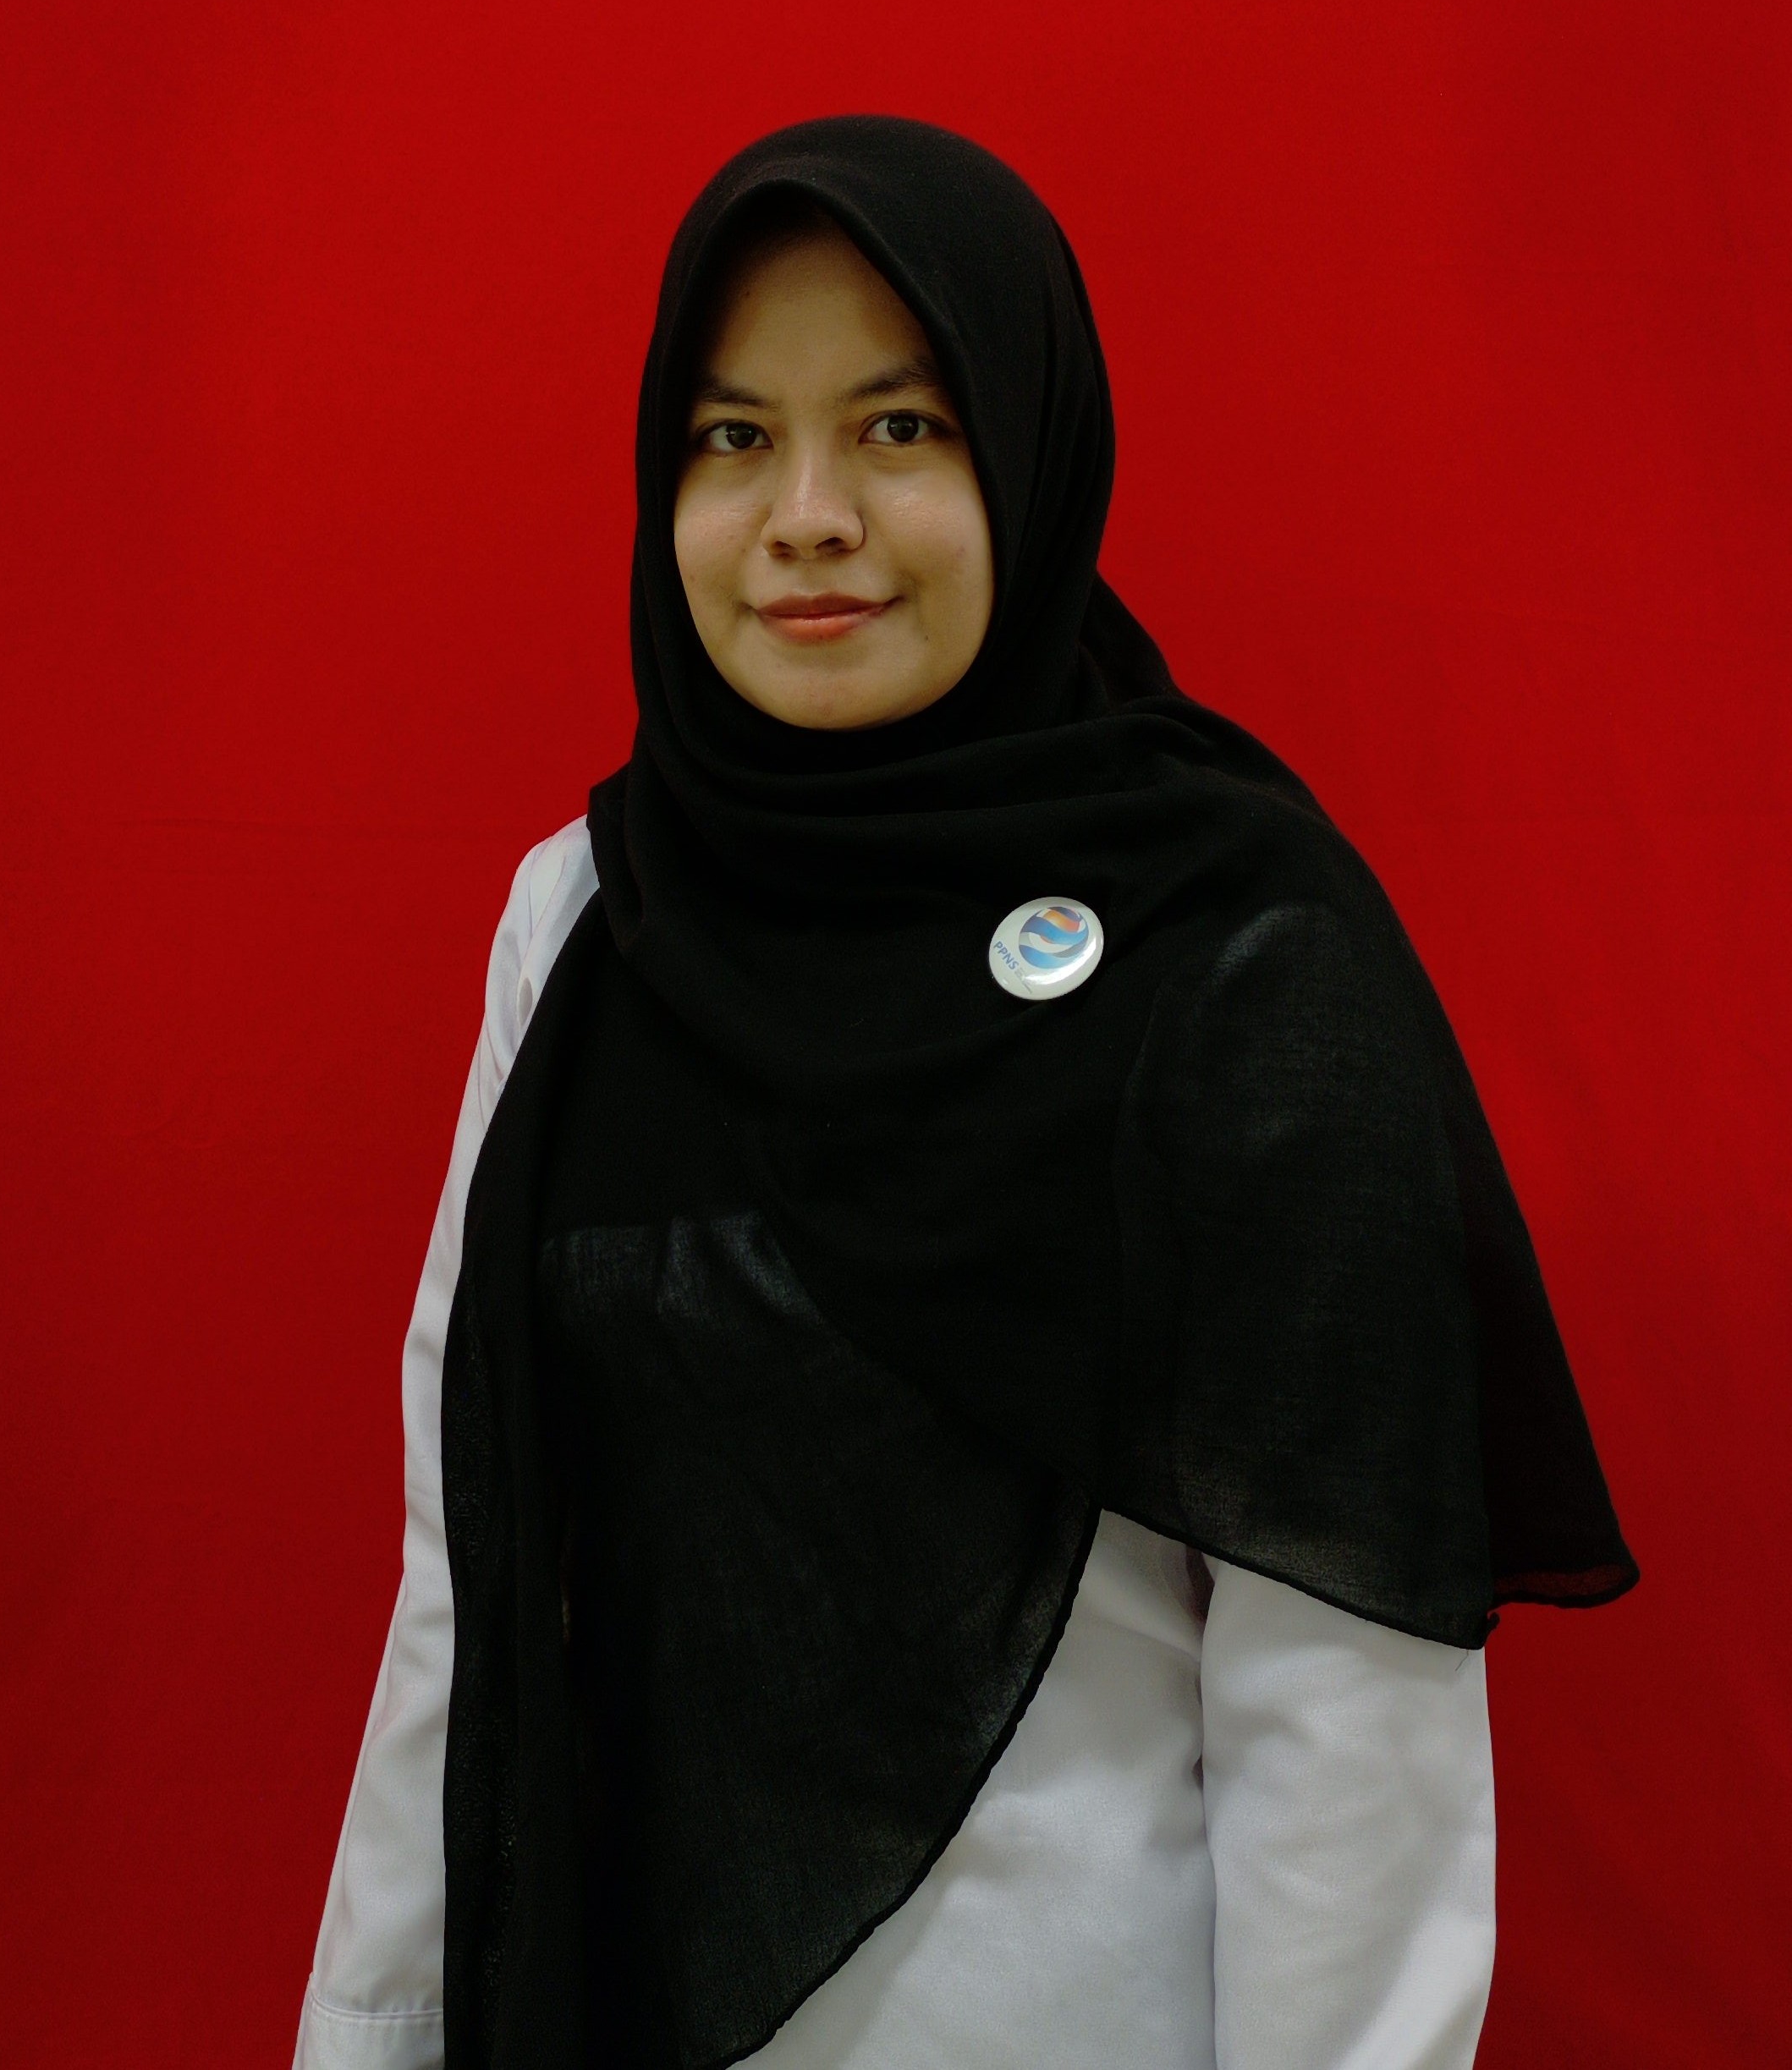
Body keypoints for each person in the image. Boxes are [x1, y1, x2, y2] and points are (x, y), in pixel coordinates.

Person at [293, 118, 1635, 2070]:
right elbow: (470, 1580)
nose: (807, 514)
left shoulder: (1235, 953)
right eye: (733, 435)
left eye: (900, 428)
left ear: (1029, 446)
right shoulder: (583, 925)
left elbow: (1346, 1722)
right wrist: (369, 2040)